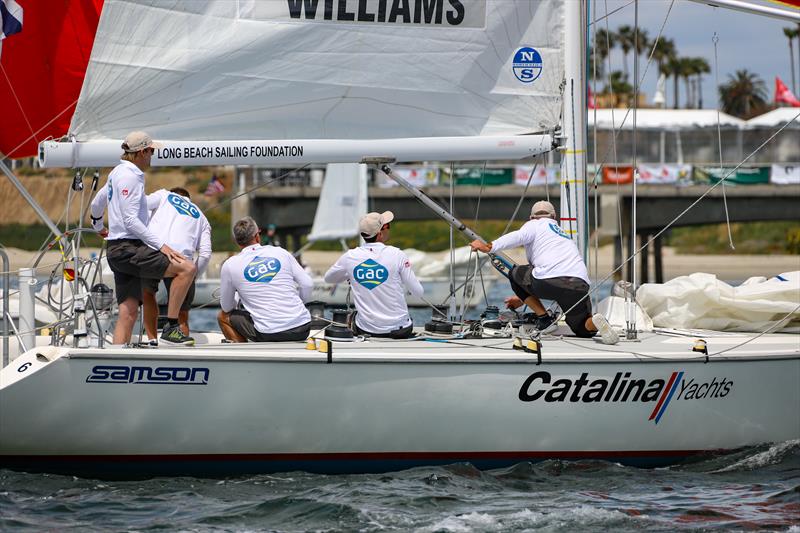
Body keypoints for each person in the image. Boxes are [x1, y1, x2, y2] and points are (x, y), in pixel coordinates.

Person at [89, 131, 197, 345]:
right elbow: (130, 220)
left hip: (117, 250)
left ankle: (118, 358)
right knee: (187, 269)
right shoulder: (132, 175)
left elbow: (96, 205)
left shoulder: (116, 173)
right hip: (130, 248)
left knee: (128, 313)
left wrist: (98, 226)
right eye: (151, 152)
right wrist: (162, 246)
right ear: (141, 152)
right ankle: (171, 328)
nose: (152, 156)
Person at [469, 200, 618, 344]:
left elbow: (517, 237)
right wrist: (522, 299)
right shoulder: (562, 234)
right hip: (579, 284)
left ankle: (544, 318)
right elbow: (555, 274)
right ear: (554, 217)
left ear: (532, 217)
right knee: (582, 328)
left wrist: (489, 247)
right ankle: (597, 322)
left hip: (549, 281)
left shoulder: (534, 224)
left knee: (515, 273)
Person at [324, 211, 423, 339]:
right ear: (380, 233)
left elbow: (328, 278)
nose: (389, 229)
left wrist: (351, 274)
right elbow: (418, 292)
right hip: (400, 330)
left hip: (366, 329)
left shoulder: (350, 257)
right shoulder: (397, 254)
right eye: (387, 226)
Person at [217, 216, 313, 342]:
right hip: (302, 327)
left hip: (269, 333)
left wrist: (237, 296)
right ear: (257, 236)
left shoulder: (230, 265)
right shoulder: (281, 252)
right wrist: (294, 308)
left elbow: (227, 308)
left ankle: (243, 357)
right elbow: (308, 284)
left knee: (223, 316)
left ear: (236, 241)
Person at [140, 187, 212, 343]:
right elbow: (205, 255)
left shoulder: (164, 195)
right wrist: (191, 277)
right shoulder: (202, 217)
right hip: (182, 261)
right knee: (182, 314)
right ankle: (180, 346)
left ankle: (153, 341)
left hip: (153, 253)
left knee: (148, 296)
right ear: (189, 199)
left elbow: (140, 203)